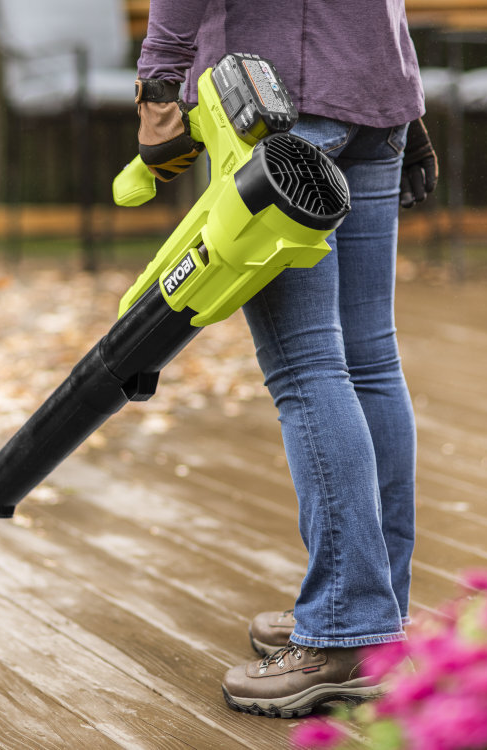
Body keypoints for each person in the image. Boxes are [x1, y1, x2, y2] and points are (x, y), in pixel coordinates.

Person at [133, 0, 437, 718]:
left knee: (309, 369)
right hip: (374, 93)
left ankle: (344, 628)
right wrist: (406, 100)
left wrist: (157, 85)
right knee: (369, 363)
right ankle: (378, 613)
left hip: (277, 103)